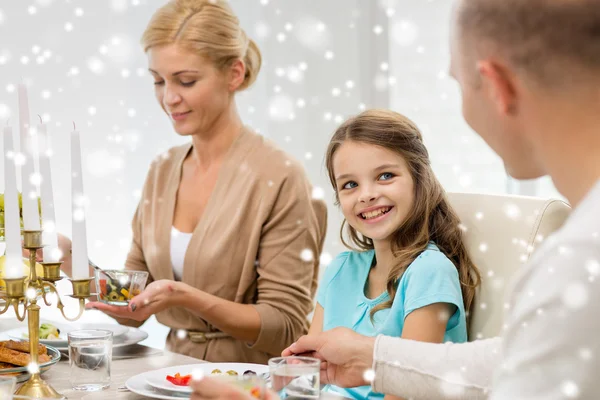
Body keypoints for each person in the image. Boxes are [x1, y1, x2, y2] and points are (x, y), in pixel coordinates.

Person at [193, 0, 600, 397]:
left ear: (497, 86)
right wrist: (369, 358)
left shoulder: (575, 262)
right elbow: (511, 363)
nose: (367, 194)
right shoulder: (576, 260)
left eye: (458, 83)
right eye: (349, 184)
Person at [83, 0, 327, 364]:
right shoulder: (162, 171)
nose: (169, 98)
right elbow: (132, 305)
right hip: (171, 376)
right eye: (158, 81)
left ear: (235, 74)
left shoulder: (281, 177)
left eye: (186, 80)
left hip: (249, 381)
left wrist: (186, 297)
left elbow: (286, 325)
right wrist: (75, 267)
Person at [307, 109, 480, 400]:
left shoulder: (430, 272)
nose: (366, 195)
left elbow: (407, 390)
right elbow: (309, 377)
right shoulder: (340, 269)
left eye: (385, 176)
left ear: (419, 178)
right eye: (350, 184)